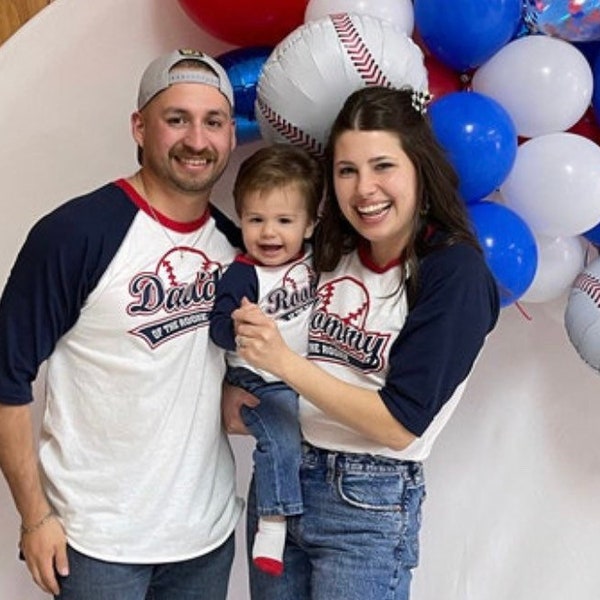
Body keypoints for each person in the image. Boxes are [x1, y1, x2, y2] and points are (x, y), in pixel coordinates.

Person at [225, 85, 500, 600]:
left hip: (369, 502)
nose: (364, 188)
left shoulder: (454, 273)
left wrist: (282, 364)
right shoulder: (329, 249)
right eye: (347, 171)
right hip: (281, 483)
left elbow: (398, 425)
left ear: (419, 167)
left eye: (382, 166)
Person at [0, 48, 245, 599]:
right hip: (96, 545)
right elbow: (5, 378)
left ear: (232, 134)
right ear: (139, 126)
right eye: (176, 119)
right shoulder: (75, 234)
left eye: (213, 122)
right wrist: (35, 516)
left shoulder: (237, 249)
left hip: (204, 541)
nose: (197, 140)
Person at [210, 144, 322, 577]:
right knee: (280, 438)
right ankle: (272, 524)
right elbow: (217, 326)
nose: (269, 233)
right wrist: (239, 326)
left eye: (284, 221)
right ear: (241, 219)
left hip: (301, 373)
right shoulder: (244, 273)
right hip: (258, 378)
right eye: (256, 220)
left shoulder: (314, 261)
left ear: (309, 225)